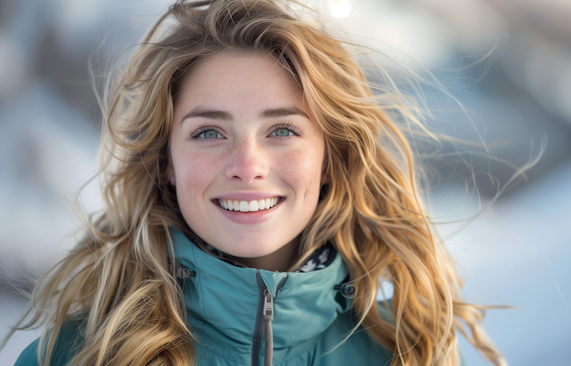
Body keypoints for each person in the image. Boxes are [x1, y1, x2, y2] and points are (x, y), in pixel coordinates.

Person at [6, 0, 506, 365]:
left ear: (330, 157)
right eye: (208, 132)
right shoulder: (75, 356)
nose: (248, 165)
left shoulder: (405, 352)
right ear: (166, 162)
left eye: (282, 130)